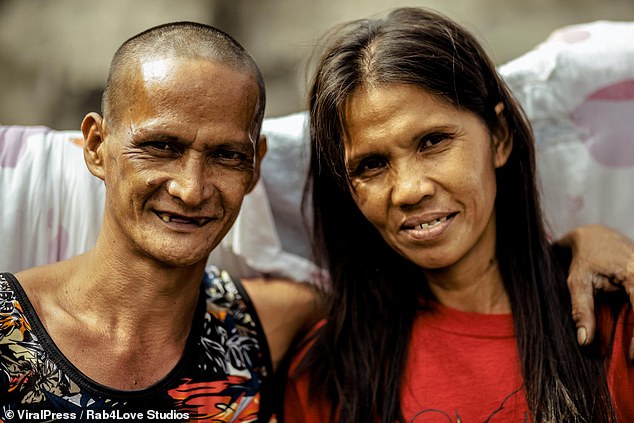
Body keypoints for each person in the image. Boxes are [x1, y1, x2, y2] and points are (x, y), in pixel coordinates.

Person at [284, 7, 634, 423]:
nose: (410, 189)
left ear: (499, 138)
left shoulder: (614, 324)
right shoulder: (326, 376)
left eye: (433, 141)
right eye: (371, 165)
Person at [0, 22, 319, 422]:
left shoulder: (258, 326)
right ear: (97, 147)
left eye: (226, 155)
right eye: (161, 146)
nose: (191, 189)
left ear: (255, 166)